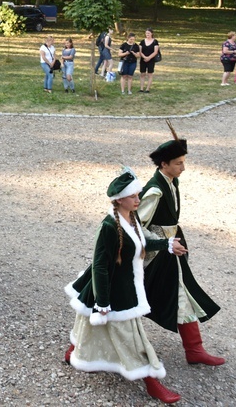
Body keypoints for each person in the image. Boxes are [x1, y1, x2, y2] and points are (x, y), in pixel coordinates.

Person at [64, 168, 185, 404]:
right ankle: (151, 382)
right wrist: (102, 302)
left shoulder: (132, 217)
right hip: (110, 290)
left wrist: (167, 244)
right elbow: (100, 266)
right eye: (133, 196)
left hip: (125, 286)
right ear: (119, 199)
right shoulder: (108, 227)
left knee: (89, 324)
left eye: (139, 195)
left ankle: (73, 351)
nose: (138, 200)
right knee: (131, 337)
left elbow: (140, 244)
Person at [139, 122, 225, 368]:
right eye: (178, 163)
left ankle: (195, 349)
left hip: (171, 249)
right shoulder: (155, 190)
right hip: (156, 254)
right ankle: (83, 345)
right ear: (163, 164)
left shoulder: (171, 182)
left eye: (183, 162)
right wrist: (164, 243)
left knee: (182, 293)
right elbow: (135, 225)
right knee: (121, 295)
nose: (183, 168)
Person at [139, 28, 159, 93]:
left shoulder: (155, 41)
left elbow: (155, 52)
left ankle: (148, 89)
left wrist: (149, 58)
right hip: (143, 60)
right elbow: (140, 51)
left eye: (148, 33)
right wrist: (144, 57)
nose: (147, 34)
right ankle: (141, 88)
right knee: (142, 73)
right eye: (146, 33)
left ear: (152, 33)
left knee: (150, 74)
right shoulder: (142, 41)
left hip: (151, 60)